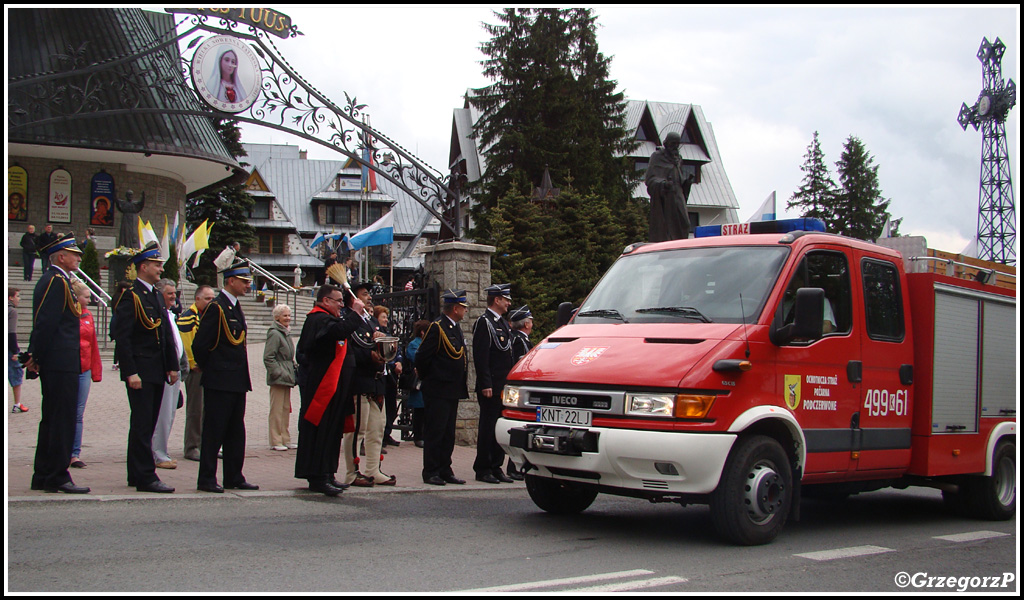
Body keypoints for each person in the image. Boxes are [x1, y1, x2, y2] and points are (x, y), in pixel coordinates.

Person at [111, 242, 179, 494]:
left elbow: (165, 333)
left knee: (147, 423)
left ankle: (135, 472)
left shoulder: (153, 294)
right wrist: (130, 372)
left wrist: (171, 366)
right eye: (157, 264)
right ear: (143, 266)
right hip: (141, 370)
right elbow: (123, 337)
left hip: (156, 369)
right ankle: (146, 476)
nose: (161, 268)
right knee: (142, 424)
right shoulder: (131, 296)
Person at [26, 234, 89, 494]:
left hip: (57, 359)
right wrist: (35, 356)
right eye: (74, 253)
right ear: (60, 257)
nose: (78, 257)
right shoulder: (57, 281)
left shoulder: (57, 279)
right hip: (60, 360)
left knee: (52, 419)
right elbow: (46, 323)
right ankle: (57, 475)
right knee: (61, 419)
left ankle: (43, 473)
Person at [192, 260, 258, 493]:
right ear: (230, 281)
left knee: (235, 432)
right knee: (214, 431)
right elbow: (201, 344)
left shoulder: (233, 306)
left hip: (236, 380)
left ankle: (233, 475)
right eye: (244, 281)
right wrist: (210, 368)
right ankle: (207, 478)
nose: (248, 285)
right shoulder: (216, 307)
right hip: (220, 380)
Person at [294, 284, 365, 496]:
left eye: (343, 302)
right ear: (325, 301)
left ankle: (328, 472)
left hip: (336, 387)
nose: (341, 305)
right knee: (321, 430)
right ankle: (317, 476)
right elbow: (337, 332)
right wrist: (355, 314)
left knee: (333, 431)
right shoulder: (317, 318)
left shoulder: (329, 318)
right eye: (338, 301)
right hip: (322, 386)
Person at [342, 282, 395, 487]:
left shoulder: (371, 320)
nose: (369, 298)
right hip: (361, 381)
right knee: (357, 430)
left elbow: (379, 344)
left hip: (376, 382)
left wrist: (382, 342)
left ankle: (373, 469)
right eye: (364, 294)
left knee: (377, 428)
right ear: (353, 298)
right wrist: (371, 354)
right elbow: (351, 350)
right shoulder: (349, 319)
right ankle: (351, 472)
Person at [416, 289, 470, 486]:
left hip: (452, 389)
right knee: (435, 432)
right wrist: (429, 379)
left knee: (448, 433)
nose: (465, 311)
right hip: (437, 389)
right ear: (455, 308)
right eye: (463, 307)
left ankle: (445, 468)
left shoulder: (454, 327)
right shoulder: (437, 327)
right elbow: (422, 357)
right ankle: (431, 471)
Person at [472, 284, 515, 484]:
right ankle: (483, 467)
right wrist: (485, 383)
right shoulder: (484, 322)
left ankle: (496, 465)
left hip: (503, 386)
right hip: (491, 386)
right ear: (496, 300)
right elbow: (481, 356)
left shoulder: (503, 324)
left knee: (500, 428)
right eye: (505, 299)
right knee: (488, 428)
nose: (508, 303)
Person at [151, 279, 187, 470]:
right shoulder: (159, 315)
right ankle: (157, 453)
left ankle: (161, 450)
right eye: (169, 294)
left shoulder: (171, 315)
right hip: (165, 371)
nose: (174, 297)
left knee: (170, 413)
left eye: (175, 293)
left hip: (176, 371)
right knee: (162, 415)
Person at [177, 285, 216, 461]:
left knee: (209, 409)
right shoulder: (188, 317)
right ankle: (192, 446)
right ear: (197, 299)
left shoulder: (209, 315)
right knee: (196, 410)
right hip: (196, 369)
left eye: (212, 298)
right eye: (207, 298)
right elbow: (187, 344)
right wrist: (193, 363)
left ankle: (205, 444)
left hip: (209, 368)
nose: (211, 301)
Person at [69, 281, 102, 469]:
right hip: (69, 367)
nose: (89, 300)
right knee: (66, 410)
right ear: (76, 297)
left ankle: (75, 453)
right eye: (86, 297)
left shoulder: (88, 315)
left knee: (78, 413)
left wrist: (96, 372)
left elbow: (93, 345)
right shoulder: (68, 315)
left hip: (85, 368)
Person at [645, 131, 696, 243]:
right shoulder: (657, 157)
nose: (675, 147)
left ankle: (680, 247)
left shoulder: (678, 158)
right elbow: (651, 178)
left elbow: (679, 178)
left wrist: (687, 182)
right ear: (666, 143)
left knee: (685, 223)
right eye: (673, 144)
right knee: (666, 227)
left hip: (678, 194)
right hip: (666, 196)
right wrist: (663, 184)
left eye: (677, 144)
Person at [264, 304, 298, 451]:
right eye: (285, 315)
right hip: (279, 376)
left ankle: (285, 437)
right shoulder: (275, 333)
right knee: (277, 409)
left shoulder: (285, 333)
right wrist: (279, 372)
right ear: (277, 317)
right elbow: (268, 357)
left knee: (285, 409)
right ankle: (276, 440)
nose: (288, 318)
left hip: (287, 375)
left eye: (289, 315)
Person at [506, 305, 534, 480]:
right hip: (519, 391)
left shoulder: (519, 338)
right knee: (517, 428)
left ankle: (517, 466)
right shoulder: (519, 340)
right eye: (530, 321)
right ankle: (514, 467)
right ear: (526, 324)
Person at [375, 305, 403, 447]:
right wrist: (393, 364)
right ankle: (379, 437)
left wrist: (399, 362)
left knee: (392, 406)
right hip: (381, 375)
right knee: (380, 408)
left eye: (386, 317)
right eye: (383, 317)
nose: (386, 319)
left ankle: (387, 433)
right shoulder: (375, 333)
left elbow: (395, 351)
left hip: (390, 375)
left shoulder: (388, 333)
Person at [403, 320, 430, 448]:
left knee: (427, 410)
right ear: (422, 332)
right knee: (419, 410)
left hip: (428, 381)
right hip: (418, 381)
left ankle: (426, 435)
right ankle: (418, 436)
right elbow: (416, 358)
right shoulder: (414, 344)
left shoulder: (429, 343)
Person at [9, 287, 29, 414]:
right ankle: (17, 404)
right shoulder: (11, 311)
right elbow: (11, 333)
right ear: (10, 298)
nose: (19, 299)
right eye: (17, 296)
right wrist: (15, 351)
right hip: (8, 349)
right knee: (16, 373)